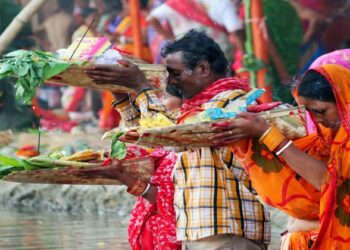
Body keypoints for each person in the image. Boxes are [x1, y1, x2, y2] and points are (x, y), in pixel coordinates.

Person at [86, 30, 270, 249]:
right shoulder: (198, 109)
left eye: (175, 73)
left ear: (203, 68)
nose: (171, 82)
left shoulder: (231, 102)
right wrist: (121, 96)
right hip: (205, 233)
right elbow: (152, 139)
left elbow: (168, 137)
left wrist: (141, 87)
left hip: (227, 234)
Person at [209, 57, 350, 248]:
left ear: (343, 99)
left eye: (322, 111)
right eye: (310, 112)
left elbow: (330, 181)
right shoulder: (330, 133)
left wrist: (268, 135)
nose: (316, 120)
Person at [147, 0, 244, 65]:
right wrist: (245, 54)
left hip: (186, 54)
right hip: (219, 52)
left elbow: (151, 18)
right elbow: (235, 31)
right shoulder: (222, 2)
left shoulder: (176, 3)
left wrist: (170, 37)